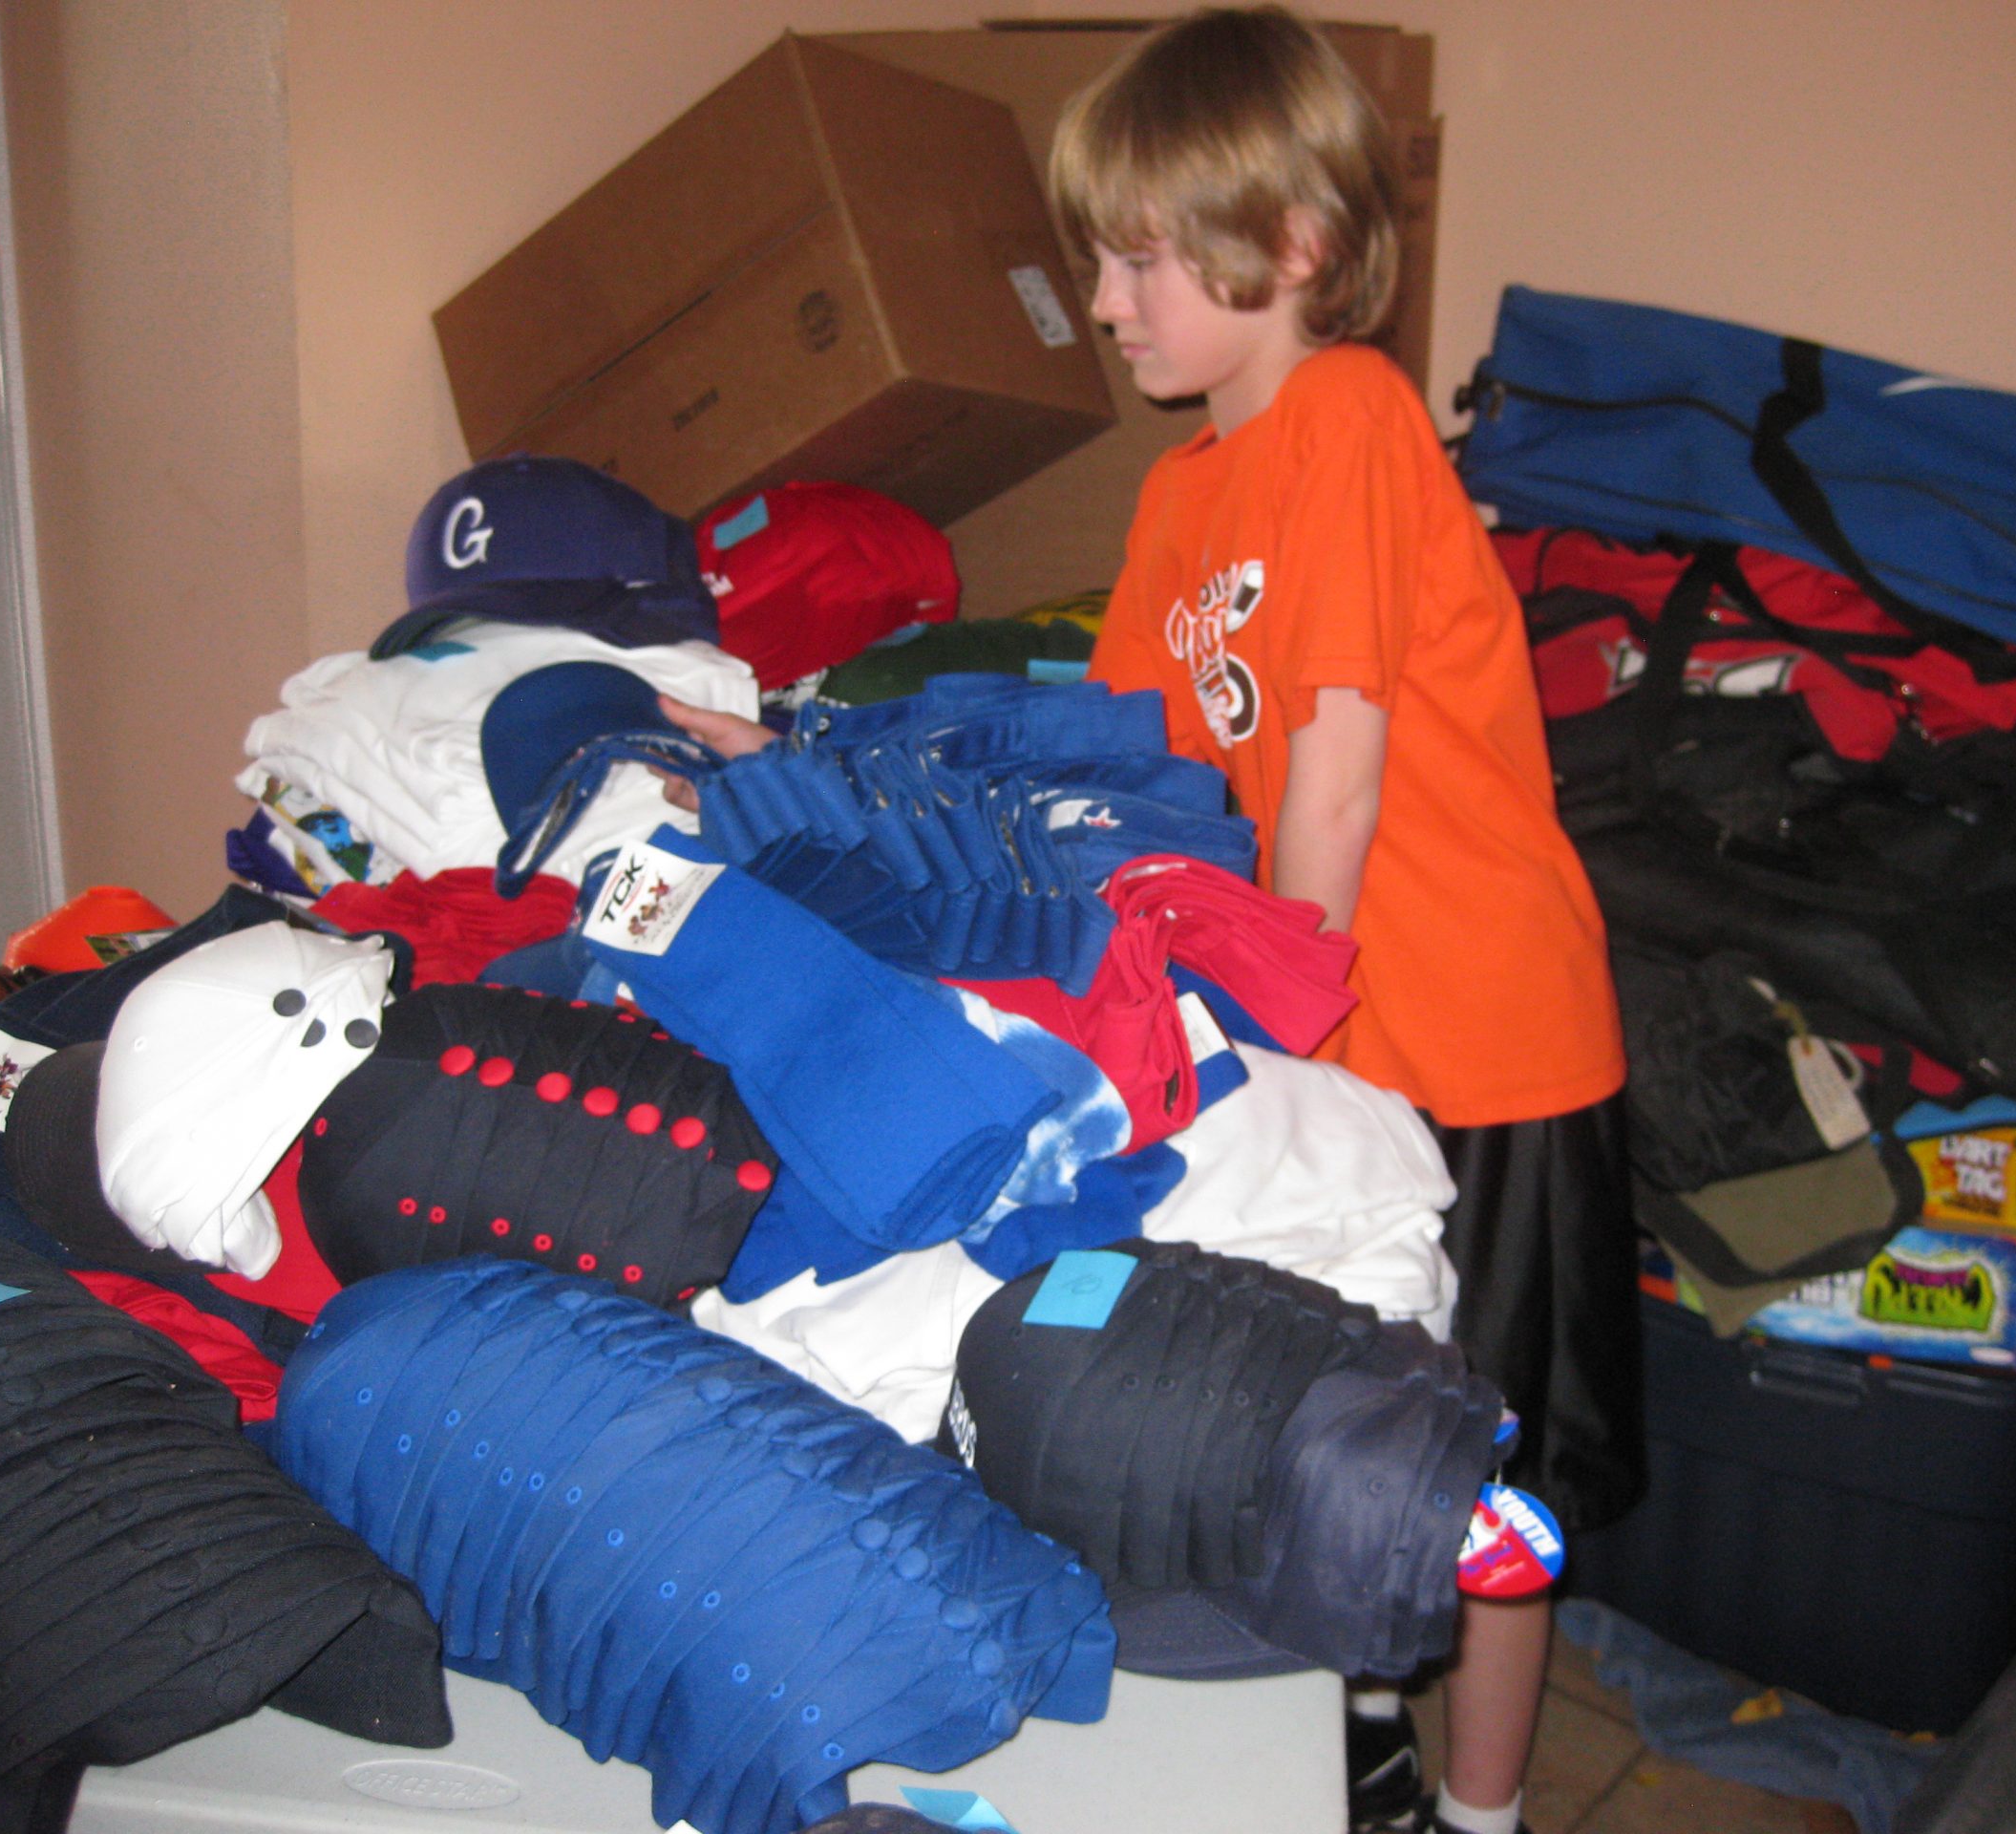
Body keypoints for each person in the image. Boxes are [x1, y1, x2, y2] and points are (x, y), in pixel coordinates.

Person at [661, 11, 1642, 1830]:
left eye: (1133, 258)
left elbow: (1330, 774)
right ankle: (1354, 1742)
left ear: (1293, 250)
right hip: (1327, 1032)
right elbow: (1088, 762)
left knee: (1483, 1469)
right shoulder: (1189, 493)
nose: (1104, 305)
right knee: (1318, 1399)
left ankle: (1489, 1817)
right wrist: (808, 744)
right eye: (1098, 258)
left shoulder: (1346, 419)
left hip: (1471, 1037)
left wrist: (1250, 1033)